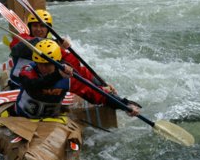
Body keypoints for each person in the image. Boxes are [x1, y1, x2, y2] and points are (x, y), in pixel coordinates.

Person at [12, 39, 140, 120]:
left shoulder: (68, 78)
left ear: (57, 62)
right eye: (40, 63)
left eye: (47, 64)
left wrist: (125, 104)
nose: (43, 67)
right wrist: (57, 75)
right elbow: (34, 85)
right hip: (22, 117)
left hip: (49, 119)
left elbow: (96, 95)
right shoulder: (28, 70)